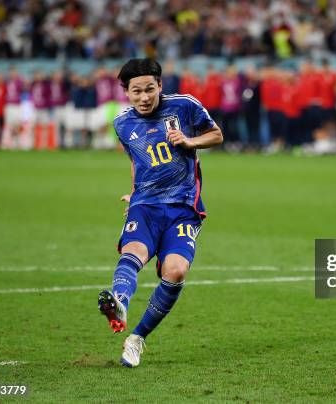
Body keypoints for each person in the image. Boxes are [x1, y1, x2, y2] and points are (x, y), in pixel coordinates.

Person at [98, 58, 223, 368]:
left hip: (183, 208)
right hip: (146, 205)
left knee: (176, 271)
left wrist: (190, 141)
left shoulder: (185, 106)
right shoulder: (123, 123)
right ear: (125, 92)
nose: (144, 97)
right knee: (134, 252)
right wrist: (134, 191)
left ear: (160, 86)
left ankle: (137, 338)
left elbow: (217, 135)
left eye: (150, 89)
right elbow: (136, 160)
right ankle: (120, 305)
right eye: (136, 91)